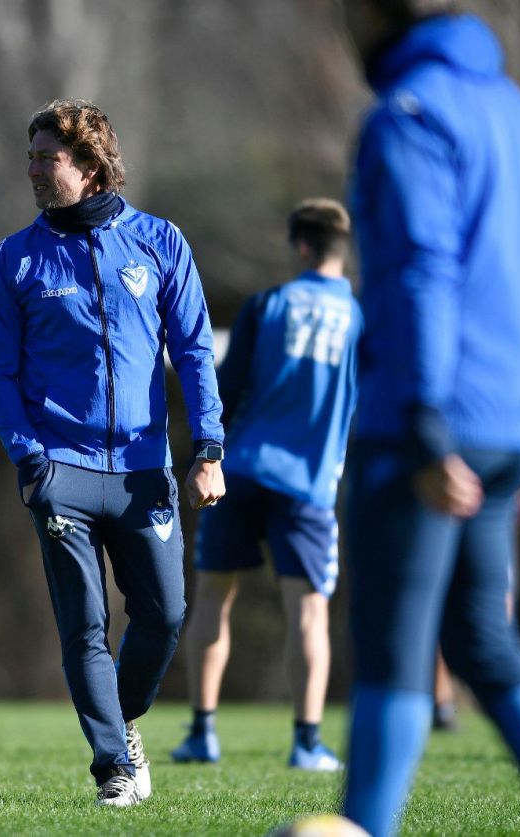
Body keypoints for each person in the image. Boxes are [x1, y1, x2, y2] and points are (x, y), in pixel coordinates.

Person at [338, 3, 520, 835]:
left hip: (426, 423)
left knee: (393, 653)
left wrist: (424, 421)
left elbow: (424, 269)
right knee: (484, 641)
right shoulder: (517, 113)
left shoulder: (410, 113)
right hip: (503, 422)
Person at [0, 98, 226, 807]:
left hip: (145, 470)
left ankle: (122, 721)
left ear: (89, 165)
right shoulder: (15, 259)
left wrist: (208, 445)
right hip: (61, 470)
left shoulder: (159, 241)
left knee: (166, 615)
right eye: (30, 156)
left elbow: (194, 351)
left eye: (46, 158)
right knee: (85, 626)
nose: (32, 169)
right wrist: (30, 457)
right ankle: (114, 765)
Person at [171, 199, 361, 772]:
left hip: (243, 469)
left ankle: (202, 733)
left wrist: (205, 456)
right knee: (308, 613)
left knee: (213, 596)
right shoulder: (364, 320)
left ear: (300, 246)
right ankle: (306, 743)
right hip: (310, 482)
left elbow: (225, 389)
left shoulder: (269, 305)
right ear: (341, 248)